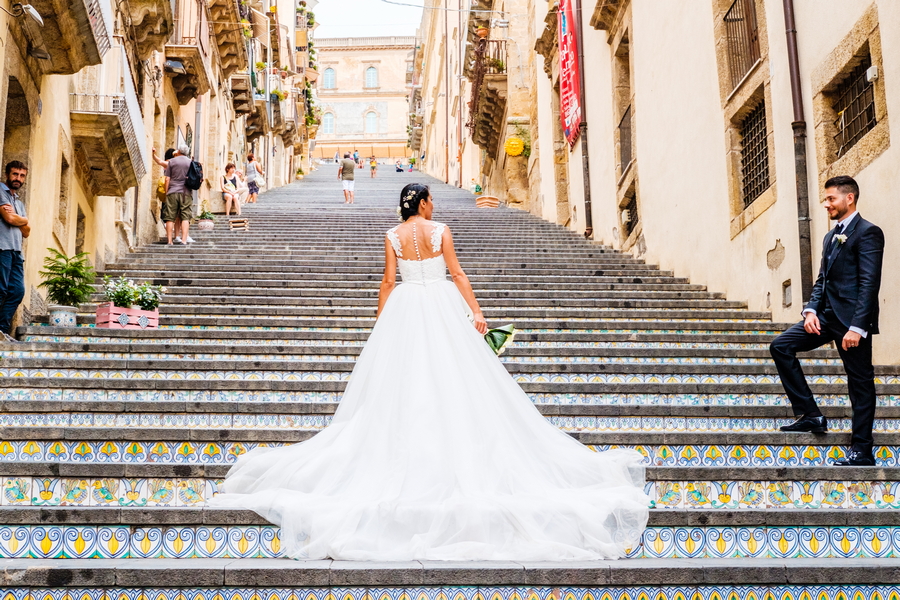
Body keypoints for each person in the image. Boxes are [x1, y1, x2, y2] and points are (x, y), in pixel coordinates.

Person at [212, 183, 649, 561]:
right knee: (457, 380)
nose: (434, 206)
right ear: (420, 203)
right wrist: (477, 313)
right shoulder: (440, 232)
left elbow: (388, 281)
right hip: (440, 304)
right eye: (430, 201)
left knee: (404, 384)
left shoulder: (393, 235)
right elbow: (456, 273)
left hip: (405, 307)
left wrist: (382, 321)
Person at [770, 175, 884, 466]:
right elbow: (822, 279)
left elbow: (869, 284)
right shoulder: (830, 236)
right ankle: (810, 414)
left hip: (851, 323)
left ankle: (862, 449)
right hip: (825, 316)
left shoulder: (869, 232)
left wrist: (858, 327)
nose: (826, 204)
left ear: (849, 198)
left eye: (831, 198)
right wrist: (810, 311)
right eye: (826, 198)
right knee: (781, 347)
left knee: (860, 383)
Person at [0, 161, 29, 343]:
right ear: (7, 174)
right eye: (15, 174)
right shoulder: (0, 192)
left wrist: (22, 220)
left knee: (17, 291)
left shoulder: (18, 201)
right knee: (1, 290)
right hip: (2, 247)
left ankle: (1, 330)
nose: (18, 178)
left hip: (17, 252)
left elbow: (26, 231)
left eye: (22, 175)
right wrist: (23, 219)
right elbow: (9, 218)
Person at [152, 144, 193, 245]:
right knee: (185, 217)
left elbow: (167, 179)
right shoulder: (191, 163)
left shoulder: (172, 162)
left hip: (173, 191)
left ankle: (170, 241)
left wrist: (167, 193)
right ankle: (184, 240)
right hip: (186, 192)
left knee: (170, 217)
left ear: (178, 151)